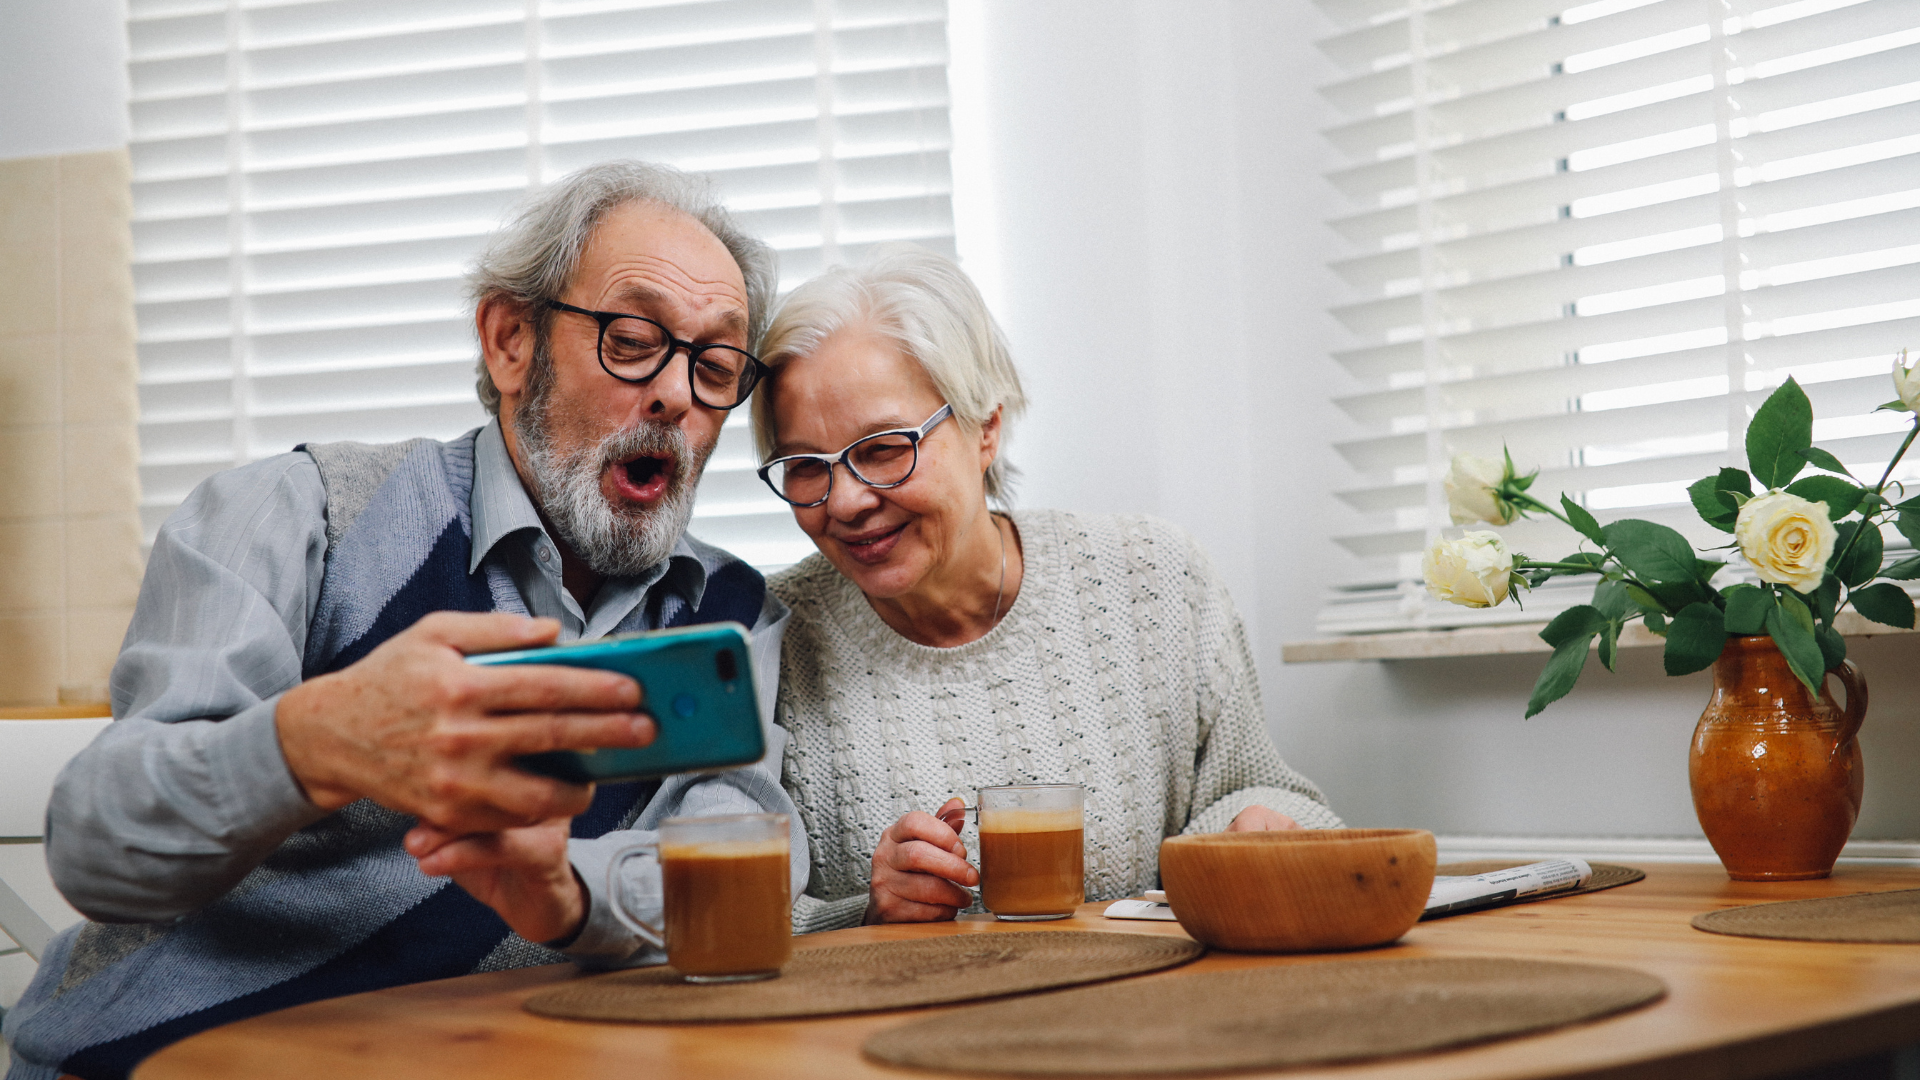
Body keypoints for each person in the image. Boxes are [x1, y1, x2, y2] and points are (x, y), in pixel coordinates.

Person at [2, 161, 807, 1080]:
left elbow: (746, 869)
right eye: (631, 340)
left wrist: (568, 897)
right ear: (511, 341)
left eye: (713, 367)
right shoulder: (295, 516)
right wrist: (313, 745)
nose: (674, 397)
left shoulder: (729, 620)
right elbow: (97, 849)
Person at [749, 247, 1341, 932]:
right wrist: (864, 911)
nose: (845, 501)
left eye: (884, 448)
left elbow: (1263, 789)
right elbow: (726, 917)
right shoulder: (770, 641)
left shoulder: (1155, 580)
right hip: (891, 1031)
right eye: (804, 466)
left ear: (986, 427)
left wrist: (1255, 825)